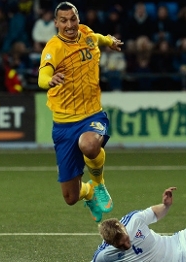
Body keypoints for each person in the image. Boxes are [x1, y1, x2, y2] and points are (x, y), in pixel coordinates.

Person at [37, 2, 123, 222]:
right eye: (63, 20)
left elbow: (99, 38)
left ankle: (99, 184)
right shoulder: (53, 47)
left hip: (92, 115)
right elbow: (42, 77)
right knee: (70, 196)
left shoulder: (86, 33)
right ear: (56, 23)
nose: (69, 25)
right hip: (63, 126)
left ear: (78, 18)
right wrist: (50, 80)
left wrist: (110, 41)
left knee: (89, 144)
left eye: (73, 19)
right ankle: (89, 193)